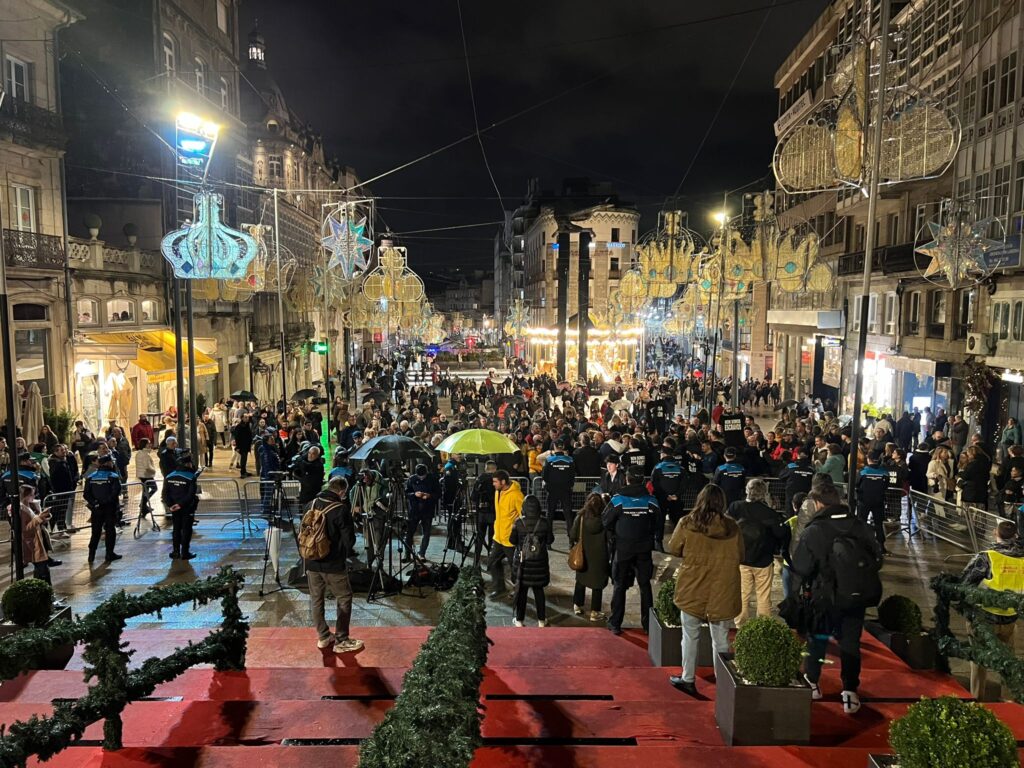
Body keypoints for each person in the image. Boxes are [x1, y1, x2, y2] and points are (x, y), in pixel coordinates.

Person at [792, 483, 882, 715]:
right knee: (850, 643)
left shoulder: (815, 530)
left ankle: (813, 682)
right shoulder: (860, 526)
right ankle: (850, 691)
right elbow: (877, 559)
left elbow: (801, 566)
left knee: (818, 640)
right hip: (855, 597)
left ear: (819, 503)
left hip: (824, 598)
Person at [666, 484, 743, 696]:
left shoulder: (687, 523)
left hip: (693, 586)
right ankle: (724, 683)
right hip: (722, 588)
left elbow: (673, 548)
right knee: (721, 640)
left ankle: (688, 678)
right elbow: (740, 554)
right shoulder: (732, 527)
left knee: (690, 636)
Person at [961, 520, 1024, 700]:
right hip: (1009, 620)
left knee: (979, 662)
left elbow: (964, 583)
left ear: (995, 534)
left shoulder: (987, 557)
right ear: (1016, 537)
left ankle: (977, 700)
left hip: (983, 619)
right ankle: (1008, 701)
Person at [303, 475, 363, 654]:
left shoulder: (310, 504)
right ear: (342, 491)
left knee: (316, 599)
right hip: (333, 564)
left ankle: (323, 636)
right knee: (344, 598)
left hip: (311, 561)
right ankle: (342, 639)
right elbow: (349, 540)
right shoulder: (340, 509)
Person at [602, 464, 660, 635]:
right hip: (644, 549)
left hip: (622, 549)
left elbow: (605, 521)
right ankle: (648, 624)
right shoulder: (651, 501)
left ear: (626, 479)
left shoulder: (618, 500)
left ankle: (615, 623)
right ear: (643, 480)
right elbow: (658, 525)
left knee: (619, 585)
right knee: (645, 586)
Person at [728, 478, 789, 626]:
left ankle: (740, 625)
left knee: (742, 593)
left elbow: (726, 527)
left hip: (741, 558)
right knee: (763, 595)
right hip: (763, 560)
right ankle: (763, 626)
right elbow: (780, 534)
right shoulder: (770, 513)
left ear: (747, 490)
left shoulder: (736, 507)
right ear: (764, 494)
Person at [509, 494, 554, 627]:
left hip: (523, 563)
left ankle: (519, 620)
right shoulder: (544, 522)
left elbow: (512, 541)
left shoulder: (518, 522)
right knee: (539, 591)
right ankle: (541, 620)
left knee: (522, 591)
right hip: (539, 563)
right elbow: (550, 540)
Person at [570, 492, 609, 622]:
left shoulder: (581, 517)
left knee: (581, 580)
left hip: (584, 555)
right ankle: (595, 611)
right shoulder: (605, 521)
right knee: (597, 584)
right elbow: (610, 539)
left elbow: (573, 535)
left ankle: (577, 605)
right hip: (600, 557)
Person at [489, 470, 525, 598]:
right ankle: (499, 588)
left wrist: (516, 528)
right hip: (498, 537)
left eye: (495, 482)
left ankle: (518, 589)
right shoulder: (497, 492)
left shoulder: (516, 495)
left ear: (503, 482)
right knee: (493, 562)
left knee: (514, 567)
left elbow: (523, 516)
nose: (493, 484)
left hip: (510, 539)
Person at [83, 453, 122, 564]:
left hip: (96, 509)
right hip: (110, 508)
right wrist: (105, 502)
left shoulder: (91, 477)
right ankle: (109, 554)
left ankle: (91, 555)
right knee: (110, 531)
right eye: (111, 461)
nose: (113, 463)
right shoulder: (113, 476)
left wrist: (95, 503)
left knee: (95, 532)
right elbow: (115, 492)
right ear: (107, 463)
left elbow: (86, 494)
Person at [161, 452, 199, 560]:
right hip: (187, 507)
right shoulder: (191, 477)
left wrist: (171, 505)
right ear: (188, 464)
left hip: (174, 508)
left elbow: (165, 493)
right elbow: (190, 494)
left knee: (176, 529)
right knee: (187, 529)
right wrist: (181, 505)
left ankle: (176, 551)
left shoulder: (169, 476)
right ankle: (185, 552)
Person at [350, 468, 388, 566]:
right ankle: (369, 562)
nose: (365, 482)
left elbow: (386, 497)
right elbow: (352, 492)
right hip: (366, 515)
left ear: (370, 476)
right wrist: (355, 506)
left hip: (377, 515)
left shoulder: (380, 483)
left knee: (379, 541)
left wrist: (380, 503)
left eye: (367, 480)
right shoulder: (361, 483)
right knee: (368, 541)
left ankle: (380, 562)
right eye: (364, 481)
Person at [651, 444, 683, 551]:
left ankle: (658, 543)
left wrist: (665, 496)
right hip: (676, 500)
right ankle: (680, 544)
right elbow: (685, 483)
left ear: (664, 454)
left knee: (660, 521)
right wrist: (676, 495)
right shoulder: (680, 467)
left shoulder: (658, 467)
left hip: (661, 499)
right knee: (678, 522)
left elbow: (654, 483)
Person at [18, 485, 54, 583]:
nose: (34, 496)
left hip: (36, 541)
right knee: (43, 570)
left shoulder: (29, 506)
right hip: (32, 543)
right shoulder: (21, 509)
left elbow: (34, 521)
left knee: (42, 569)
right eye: (32, 494)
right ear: (26, 496)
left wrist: (43, 517)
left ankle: (43, 591)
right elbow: (26, 528)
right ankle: (45, 592)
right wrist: (41, 517)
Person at [404, 463, 440, 559]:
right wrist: (415, 494)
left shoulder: (433, 479)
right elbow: (406, 493)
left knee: (426, 533)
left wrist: (430, 496)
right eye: (420, 477)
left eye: (423, 476)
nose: (421, 478)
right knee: (409, 532)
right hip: (414, 510)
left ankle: (422, 553)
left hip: (427, 509)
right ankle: (407, 553)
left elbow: (439, 493)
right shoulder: (411, 479)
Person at [856, 450, 890, 553]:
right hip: (878, 501)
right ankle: (881, 546)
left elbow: (856, 484)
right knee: (878, 524)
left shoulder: (863, 471)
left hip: (864, 501)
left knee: (862, 523)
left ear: (868, 459)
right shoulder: (884, 472)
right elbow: (886, 486)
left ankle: (861, 545)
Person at [542, 439, 576, 537]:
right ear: (563, 447)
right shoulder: (570, 460)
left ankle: (548, 539)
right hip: (566, 490)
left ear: (554, 447)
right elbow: (572, 475)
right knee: (568, 515)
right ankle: (571, 538)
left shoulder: (549, 460)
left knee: (550, 514)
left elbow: (544, 476)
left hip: (552, 490)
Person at [470, 460, 497, 562]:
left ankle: (476, 562)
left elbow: (473, 497)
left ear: (486, 468)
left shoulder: (479, 480)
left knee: (479, 538)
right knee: (492, 539)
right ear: (494, 469)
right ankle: (491, 562)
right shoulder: (496, 481)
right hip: (493, 513)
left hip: (481, 514)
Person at [779, 447, 815, 516]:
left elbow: (781, 476)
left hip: (791, 495)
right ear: (807, 455)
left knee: (790, 516)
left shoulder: (791, 466)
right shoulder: (812, 468)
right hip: (806, 495)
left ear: (797, 455)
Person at [134, 437, 158, 517]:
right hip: (146, 475)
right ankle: (143, 503)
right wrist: (154, 471)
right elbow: (147, 466)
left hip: (143, 475)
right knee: (154, 488)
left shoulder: (140, 453)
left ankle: (144, 509)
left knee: (145, 491)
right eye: (148, 443)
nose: (150, 445)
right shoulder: (145, 454)